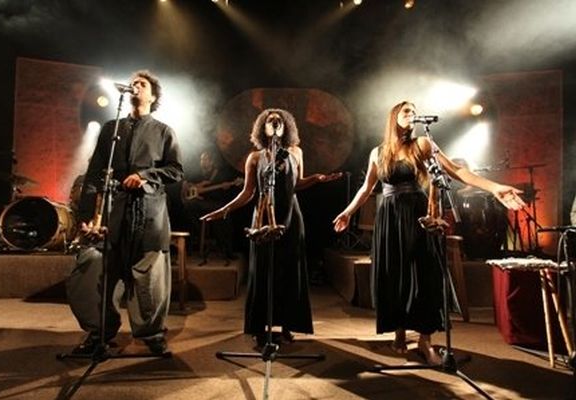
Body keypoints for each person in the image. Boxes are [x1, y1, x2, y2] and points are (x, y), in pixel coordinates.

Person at [333, 101, 525, 365]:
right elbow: (366, 189)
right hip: (389, 218)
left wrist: (494, 187)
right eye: (406, 111)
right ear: (394, 117)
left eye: (414, 111)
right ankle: (399, 332)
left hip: (417, 214)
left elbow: (455, 170)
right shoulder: (378, 152)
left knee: (425, 275)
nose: (412, 114)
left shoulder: (422, 144)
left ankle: (425, 340)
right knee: (394, 274)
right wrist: (348, 212)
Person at [66, 70, 184, 355]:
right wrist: (87, 216)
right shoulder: (111, 128)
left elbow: (176, 170)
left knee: (150, 276)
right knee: (97, 269)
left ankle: (152, 333)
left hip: (149, 212)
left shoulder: (164, 131)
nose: (135, 87)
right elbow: (94, 172)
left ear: (153, 96)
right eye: (133, 84)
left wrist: (145, 176)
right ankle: (99, 332)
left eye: (142, 84)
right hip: (112, 211)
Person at [201, 108, 340, 346]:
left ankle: (287, 325)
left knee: (290, 268)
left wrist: (315, 179)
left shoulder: (296, 152)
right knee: (264, 269)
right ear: (262, 128)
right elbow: (248, 192)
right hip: (264, 216)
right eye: (270, 121)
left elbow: (296, 184)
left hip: (291, 216)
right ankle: (260, 327)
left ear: (286, 127)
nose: (275, 124)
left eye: (279, 121)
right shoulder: (255, 157)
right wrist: (225, 210)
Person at [182, 150, 241, 262]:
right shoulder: (197, 174)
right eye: (201, 159)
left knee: (223, 212)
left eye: (205, 159)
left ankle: (227, 250)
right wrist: (188, 187)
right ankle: (190, 246)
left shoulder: (220, 174)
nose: (202, 162)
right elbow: (185, 184)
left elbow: (224, 196)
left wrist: (225, 188)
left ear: (212, 162)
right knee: (188, 206)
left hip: (215, 203)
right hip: (201, 205)